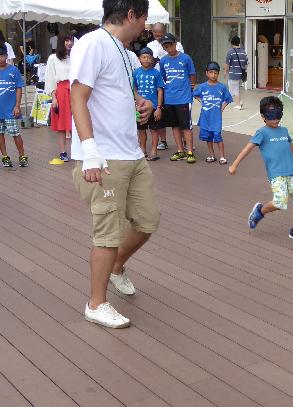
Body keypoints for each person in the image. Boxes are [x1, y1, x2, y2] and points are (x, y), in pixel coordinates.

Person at [70, 0, 159, 328]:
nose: (145, 26)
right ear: (132, 15)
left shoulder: (124, 51)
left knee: (147, 221)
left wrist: (143, 103)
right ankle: (96, 303)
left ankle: (117, 266)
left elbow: (117, 94)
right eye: (144, 18)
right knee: (107, 234)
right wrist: (90, 152)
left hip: (131, 155)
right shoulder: (93, 44)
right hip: (103, 159)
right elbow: (77, 96)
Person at [229, 96, 293, 238]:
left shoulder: (284, 130)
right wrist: (234, 164)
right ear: (263, 117)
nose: (275, 119)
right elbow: (248, 148)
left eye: (278, 115)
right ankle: (260, 211)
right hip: (277, 173)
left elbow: (290, 145)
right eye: (271, 116)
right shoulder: (262, 132)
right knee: (279, 202)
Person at [159, 33, 197, 163]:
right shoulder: (163, 61)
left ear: (176, 44)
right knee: (174, 126)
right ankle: (180, 151)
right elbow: (163, 77)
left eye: (170, 44)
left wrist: (190, 89)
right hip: (169, 99)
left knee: (186, 126)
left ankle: (190, 151)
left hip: (184, 99)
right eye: (166, 46)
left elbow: (192, 75)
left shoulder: (186, 58)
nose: (169, 48)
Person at [147, 23, 184, 150]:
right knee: (160, 110)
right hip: (157, 81)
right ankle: (163, 141)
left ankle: (183, 141)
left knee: (179, 113)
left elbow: (181, 61)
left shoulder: (177, 44)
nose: (157, 37)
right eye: (155, 35)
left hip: (174, 82)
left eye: (160, 35)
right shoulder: (150, 45)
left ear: (165, 32)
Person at [194, 61, 232, 164]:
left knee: (218, 136)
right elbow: (195, 94)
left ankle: (222, 157)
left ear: (218, 74)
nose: (213, 75)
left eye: (215, 73)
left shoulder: (222, 87)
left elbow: (228, 99)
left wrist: (222, 107)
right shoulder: (202, 86)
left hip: (216, 117)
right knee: (208, 137)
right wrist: (201, 101)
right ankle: (211, 155)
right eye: (211, 72)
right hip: (205, 117)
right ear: (206, 73)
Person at [45, 33, 74, 162]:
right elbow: (50, 78)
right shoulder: (53, 58)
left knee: (77, 122)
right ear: (62, 42)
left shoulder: (74, 56)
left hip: (74, 90)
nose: (69, 43)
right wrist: (54, 97)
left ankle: (78, 151)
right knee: (62, 124)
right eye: (67, 40)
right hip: (61, 91)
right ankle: (63, 151)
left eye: (71, 41)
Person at [133, 46, 164, 161]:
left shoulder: (156, 73)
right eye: (143, 57)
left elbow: (160, 90)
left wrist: (159, 108)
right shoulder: (136, 73)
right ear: (139, 58)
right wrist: (135, 104)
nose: (146, 59)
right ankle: (143, 150)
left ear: (152, 59)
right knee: (141, 130)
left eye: (148, 57)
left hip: (154, 107)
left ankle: (154, 151)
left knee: (154, 130)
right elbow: (134, 89)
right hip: (140, 108)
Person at [0, 45, 28, 168]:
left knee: (15, 133)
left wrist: (17, 106)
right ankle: (5, 156)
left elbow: (19, 89)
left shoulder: (14, 70)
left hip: (10, 109)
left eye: (2, 55)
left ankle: (22, 156)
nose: (0, 58)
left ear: (6, 56)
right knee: (0, 134)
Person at [224, 36, 248, 110]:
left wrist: (225, 71)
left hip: (233, 73)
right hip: (241, 74)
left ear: (231, 43)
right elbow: (246, 63)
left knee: (235, 89)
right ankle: (239, 101)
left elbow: (227, 64)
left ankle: (238, 105)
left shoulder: (230, 52)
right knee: (233, 88)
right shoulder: (243, 52)